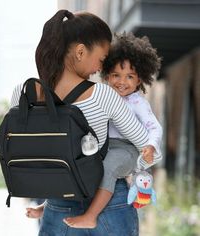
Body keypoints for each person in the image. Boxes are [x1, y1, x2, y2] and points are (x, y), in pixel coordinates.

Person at [11, 10, 150, 236]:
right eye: (102, 59)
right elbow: (146, 148)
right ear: (80, 51)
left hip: (58, 206)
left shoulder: (23, 93)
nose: (100, 68)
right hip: (110, 206)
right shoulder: (102, 95)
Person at [63, 32, 163, 229]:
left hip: (128, 150)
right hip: (105, 146)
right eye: (116, 75)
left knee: (108, 166)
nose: (122, 81)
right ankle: (51, 204)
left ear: (139, 80)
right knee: (77, 160)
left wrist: (150, 146)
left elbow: (154, 127)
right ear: (107, 75)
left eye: (130, 76)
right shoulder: (103, 95)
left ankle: (91, 216)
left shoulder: (137, 102)